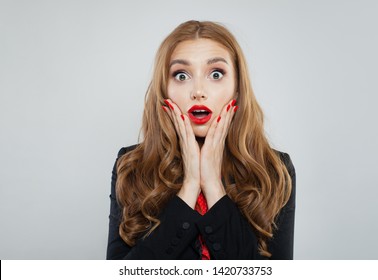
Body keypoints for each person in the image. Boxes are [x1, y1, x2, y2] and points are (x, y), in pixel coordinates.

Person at [106, 20, 296, 260]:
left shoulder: (274, 170)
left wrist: (213, 186)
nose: (198, 91)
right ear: (164, 90)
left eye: (216, 74)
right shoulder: (131, 166)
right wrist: (191, 185)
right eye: (181, 75)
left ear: (237, 88)